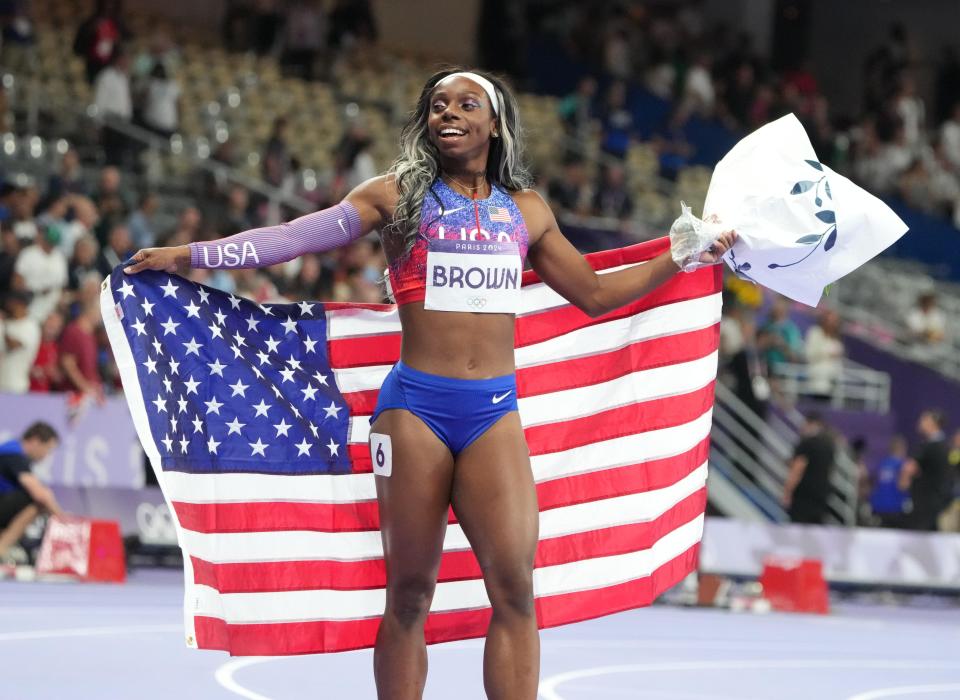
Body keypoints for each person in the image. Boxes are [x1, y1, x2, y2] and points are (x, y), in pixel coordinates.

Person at [122, 69, 736, 698]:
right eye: (438, 105)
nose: (450, 114)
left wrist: (682, 252)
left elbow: (597, 294)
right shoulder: (397, 197)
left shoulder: (526, 211)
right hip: (414, 411)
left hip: (493, 413)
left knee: (516, 588)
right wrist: (192, 255)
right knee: (411, 592)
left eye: (468, 105)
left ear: (494, 124)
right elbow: (292, 237)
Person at [0, 422, 65, 563]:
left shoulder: (10, 451)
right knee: (37, 501)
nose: (46, 455)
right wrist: (64, 519)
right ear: (35, 441)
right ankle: (2, 549)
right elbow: (40, 494)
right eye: (47, 449)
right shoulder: (14, 455)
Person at [900, 410, 951, 532]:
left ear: (933, 423)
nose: (920, 423)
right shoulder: (945, 445)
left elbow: (909, 468)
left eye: (924, 420)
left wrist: (904, 481)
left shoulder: (930, 446)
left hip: (925, 503)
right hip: (936, 500)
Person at [782, 412, 836, 524]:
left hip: (804, 495)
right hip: (821, 494)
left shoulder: (806, 443)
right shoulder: (828, 445)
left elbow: (797, 469)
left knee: (798, 531)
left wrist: (787, 492)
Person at [0, 290, 41, 394]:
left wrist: (3, 325)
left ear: (21, 305)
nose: (8, 306)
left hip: (15, 385)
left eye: (12, 303)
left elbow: (13, 345)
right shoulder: (8, 323)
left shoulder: (30, 326)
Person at [869, 435, 910, 528]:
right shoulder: (903, 465)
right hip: (895, 507)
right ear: (902, 449)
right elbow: (903, 485)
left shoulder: (882, 464)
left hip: (878, 506)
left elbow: (875, 484)